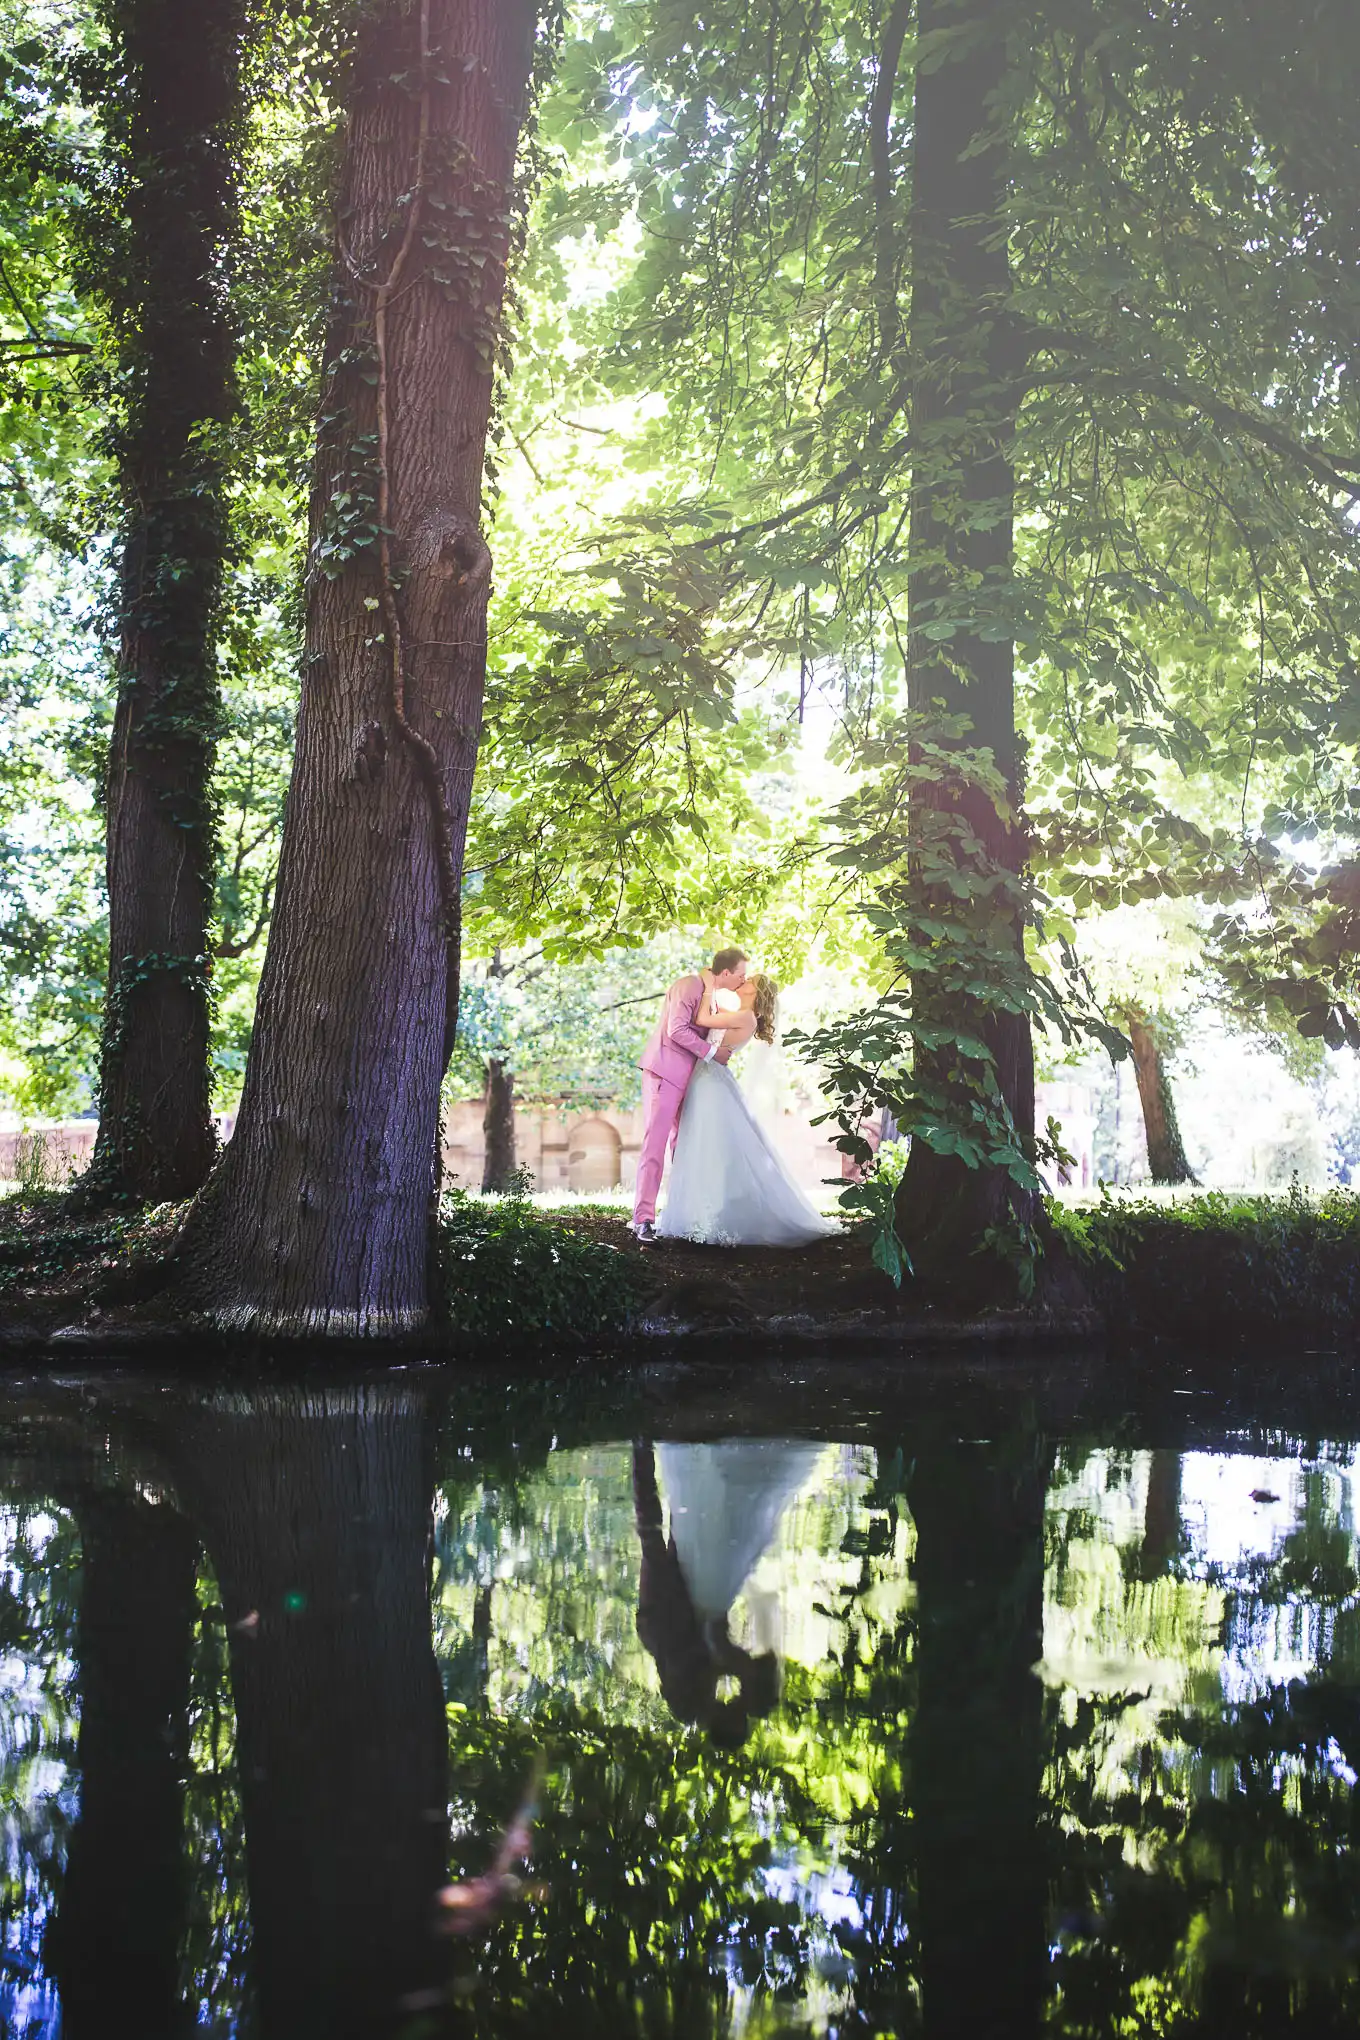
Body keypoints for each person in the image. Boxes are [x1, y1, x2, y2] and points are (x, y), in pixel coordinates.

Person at [655, 966, 837, 1248]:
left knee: (711, 1147)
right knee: (703, 1146)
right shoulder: (739, 1014)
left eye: (749, 981)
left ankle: (714, 1215)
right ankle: (697, 1213)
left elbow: (703, 1019)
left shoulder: (745, 1016)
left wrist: (707, 985)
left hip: (709, 1084)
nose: (743, 982)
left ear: (756, 991)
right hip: (705, 1079)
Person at [631, 947, 749, 1243]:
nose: (742, 980)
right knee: (654, 1147)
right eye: (740, 974)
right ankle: (643, 1220)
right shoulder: (689, 985)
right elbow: (676, 1030)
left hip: (689, 1081)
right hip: (664, 1073)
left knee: (684, 1148)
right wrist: (712, 1053)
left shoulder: (710, 996)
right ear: (725, 972)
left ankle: (681, 1217)